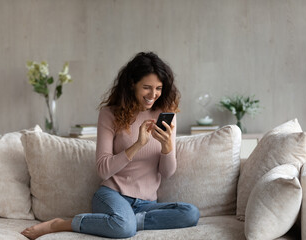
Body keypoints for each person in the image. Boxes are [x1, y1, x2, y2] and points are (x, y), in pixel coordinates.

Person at [21, 52, 200, 239]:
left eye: (158, 88)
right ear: (132, 84)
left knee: (191, 213)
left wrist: (166, 147)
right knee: (124, 228)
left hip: (147, 203)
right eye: (146, 87)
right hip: (113, 195)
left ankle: (124, 221)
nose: (153, 95)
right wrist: (138, 144)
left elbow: (167, 173)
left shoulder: (166, 113)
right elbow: (103, 170)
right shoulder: (110, 114)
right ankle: (61, 224)